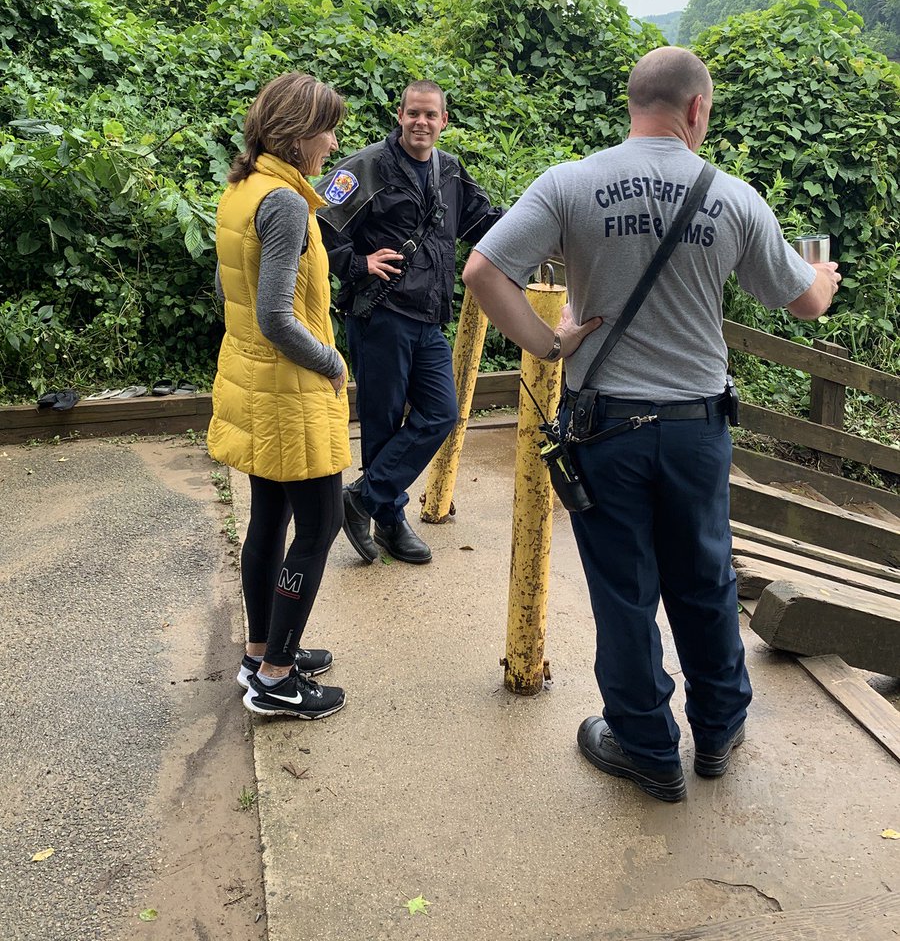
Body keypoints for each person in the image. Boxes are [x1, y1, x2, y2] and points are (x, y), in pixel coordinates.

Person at [463, 47, 841, 802]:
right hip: (698, 430)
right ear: (696, 109)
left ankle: (646, 747)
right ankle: (721, 727)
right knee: (704, 579)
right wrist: (823, 280)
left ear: (633, 104)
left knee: (625, 592)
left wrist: (546, 343)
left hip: (605, 430)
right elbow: (802, 303)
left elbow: (482, 272)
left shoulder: (570, 183)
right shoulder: (733, 196)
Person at [207, 72, 352, 720]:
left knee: (269, 519)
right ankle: (277, 677)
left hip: (257, 381)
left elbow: (228, 296)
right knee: (320, 524)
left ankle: (262, 648)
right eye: (327, 129)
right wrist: (330, 358)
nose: (332, 142)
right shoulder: (287, 203)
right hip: (292, 389)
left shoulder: (243, 191)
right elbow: (274, 315)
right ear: (298, 135)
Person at [317, 80, 504, 565]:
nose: (421, 122)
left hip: (429, 317)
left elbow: (486, 224)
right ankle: (391, 523)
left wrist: (548, 225)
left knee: (442, 411)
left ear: (444, 122)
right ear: (399, 115)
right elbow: (315, 222)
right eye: (413, 114)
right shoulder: (365, 168)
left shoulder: (450, 172)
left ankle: (362, 498)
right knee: (382, 421)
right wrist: (356, 264)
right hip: (380, 313)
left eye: (431, 115)